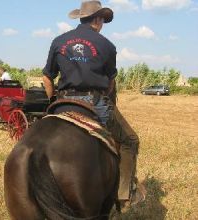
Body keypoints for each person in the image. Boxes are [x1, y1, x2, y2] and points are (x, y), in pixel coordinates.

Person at [42, 0, 145, 208]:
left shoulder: (59, 40)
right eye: (103, 20)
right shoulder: (107, 45)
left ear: (81, 17)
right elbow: (110, 83)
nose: (103, 24)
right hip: (94, 101)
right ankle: (124, 193)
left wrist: (53, 100)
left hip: (63, 101)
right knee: (130, 140)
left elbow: (46, 79)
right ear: (97, 20)